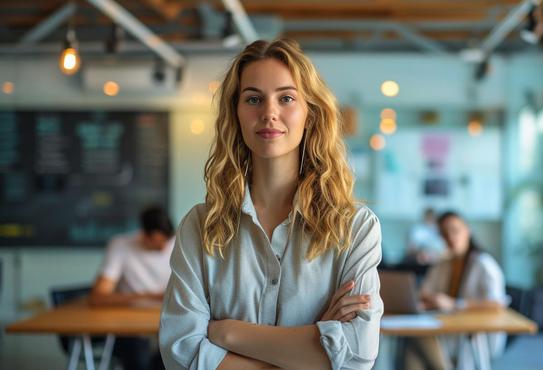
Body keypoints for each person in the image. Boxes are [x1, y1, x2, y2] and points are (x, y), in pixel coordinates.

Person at [159, 39, 383, 370]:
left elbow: (356, 356)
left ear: (310, 113)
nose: (269, 113)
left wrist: (227, 333)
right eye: (253, 99)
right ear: (235, 114)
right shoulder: (201, 225)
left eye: (286, 98)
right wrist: (313, 346)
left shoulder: (355, 227)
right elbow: (182, 353)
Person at [406, 211, 507, 370]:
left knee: (417, 340)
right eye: (444, 234)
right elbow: (423, 292)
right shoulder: (443, 263)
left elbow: (497, 303)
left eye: (455, 230)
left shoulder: (484, 264)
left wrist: (454, 304)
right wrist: (432, 300)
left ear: (468, 231)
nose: (450, 237)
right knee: (412, 345)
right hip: (447, 328)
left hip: (473, 336)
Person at [90, 205, 174, 370]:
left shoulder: (178, 243)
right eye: (157, 243)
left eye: (167, 241)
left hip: (168, 320)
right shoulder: (121, 246)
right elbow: (98, 297)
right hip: (132, 326)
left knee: (174, 356)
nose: (163, 248)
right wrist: (150, 296)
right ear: (143, 234)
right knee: (139, 359)